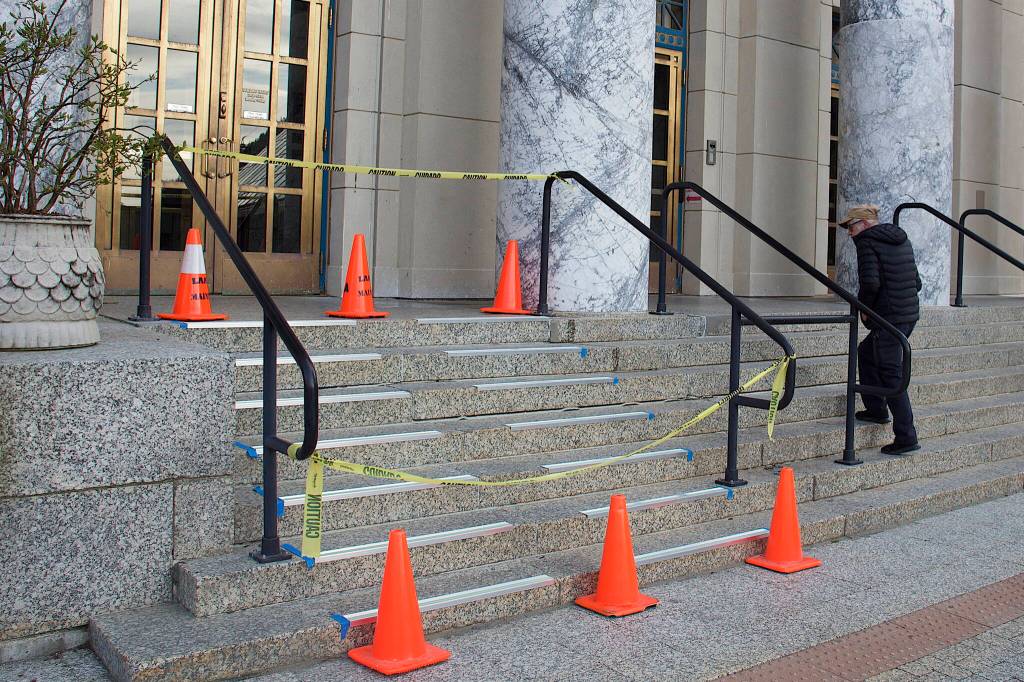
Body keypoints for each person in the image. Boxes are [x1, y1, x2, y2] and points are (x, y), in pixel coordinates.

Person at [839, 204, 922, 454]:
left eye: (851, 227)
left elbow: (871, 283)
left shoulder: (867, 242)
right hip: (907, 315)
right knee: (866, 352)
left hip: (890, 317)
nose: (850, 233)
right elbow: (916, 281)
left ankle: (906, 437)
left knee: (891, 374)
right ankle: (876, 409)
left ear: (864, 224)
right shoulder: (900, 238)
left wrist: (864, 308)